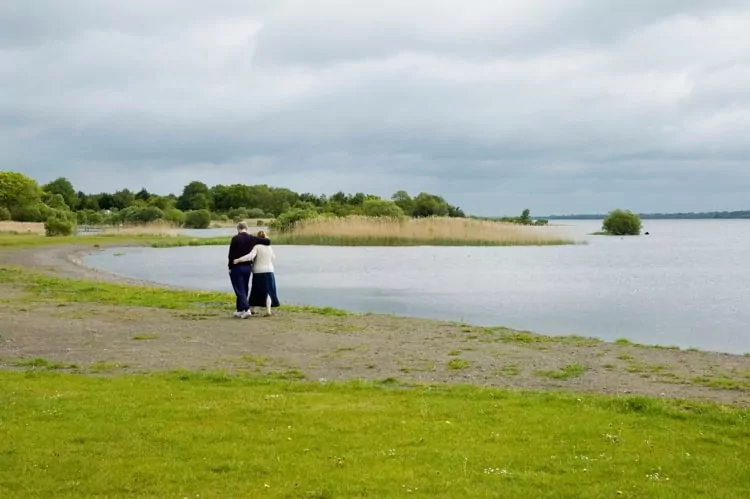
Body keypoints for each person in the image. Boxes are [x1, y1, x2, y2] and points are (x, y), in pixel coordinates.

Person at [228, 222, 270, 318]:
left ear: (238, 228)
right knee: (245, 288)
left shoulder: (235, 238)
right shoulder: (252, 238)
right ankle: (240, 309)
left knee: (239, 288)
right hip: (247, 267)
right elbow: (267, 242)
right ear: (246, 228)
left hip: (237, 266)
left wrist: (230, 267)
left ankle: (246, 309)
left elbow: (230, 255)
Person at [233, 230, 280, 316]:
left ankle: (252, 308)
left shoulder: (257, 247)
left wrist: (239, 259)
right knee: (269, 291)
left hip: (258, 272)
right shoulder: (269, 247)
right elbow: (273, 257)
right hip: (269, 271)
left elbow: (250, 256)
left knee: (256, 290)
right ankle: (268, 311)